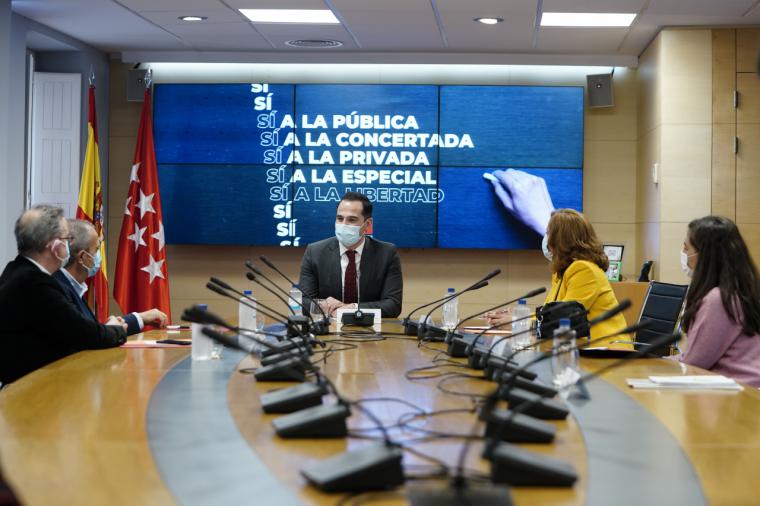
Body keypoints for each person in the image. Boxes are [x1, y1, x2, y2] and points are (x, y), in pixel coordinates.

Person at [0, 205, 127, 385]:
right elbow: (86, 335)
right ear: (55, 246)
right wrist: (117, 329)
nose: (69, 245)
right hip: (33, 393)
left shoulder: (14, 270)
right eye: (67, 239)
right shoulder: (37, 284)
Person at [486, 209, 629, 346]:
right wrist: (518, 316)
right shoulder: (562, 271)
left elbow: (566, 320)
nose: (546, 239)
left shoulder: (584, 270)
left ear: (560, 240)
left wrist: (518, 322)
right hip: (581, 347)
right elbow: (551, 315)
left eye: (548, 233)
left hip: (606, 351)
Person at [670, 216, 760, 388]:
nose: (684, 255)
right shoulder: (742, 290)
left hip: (734, 397)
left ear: (704, 255)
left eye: (686, 249)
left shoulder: (719, 299)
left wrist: (653, 361)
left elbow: (694, 362)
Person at [53, 219, 168, 335]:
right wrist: (111, 327)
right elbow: (85, 338)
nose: (99, 256)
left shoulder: (71, 286)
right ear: (83, 257)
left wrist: (139, 318)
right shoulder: (57, 290)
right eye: (97, 249)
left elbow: (90, 330)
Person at [299, 191, 403, 318]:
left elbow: (393, 305)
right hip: (326, 330)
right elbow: (302, 302)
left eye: (352, 220)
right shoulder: (314, 252)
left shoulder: (387, 253)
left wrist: (353, 308)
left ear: (367, 224)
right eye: (339, 218)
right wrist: (324, 305)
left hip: (370, 330)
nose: (343, 224)